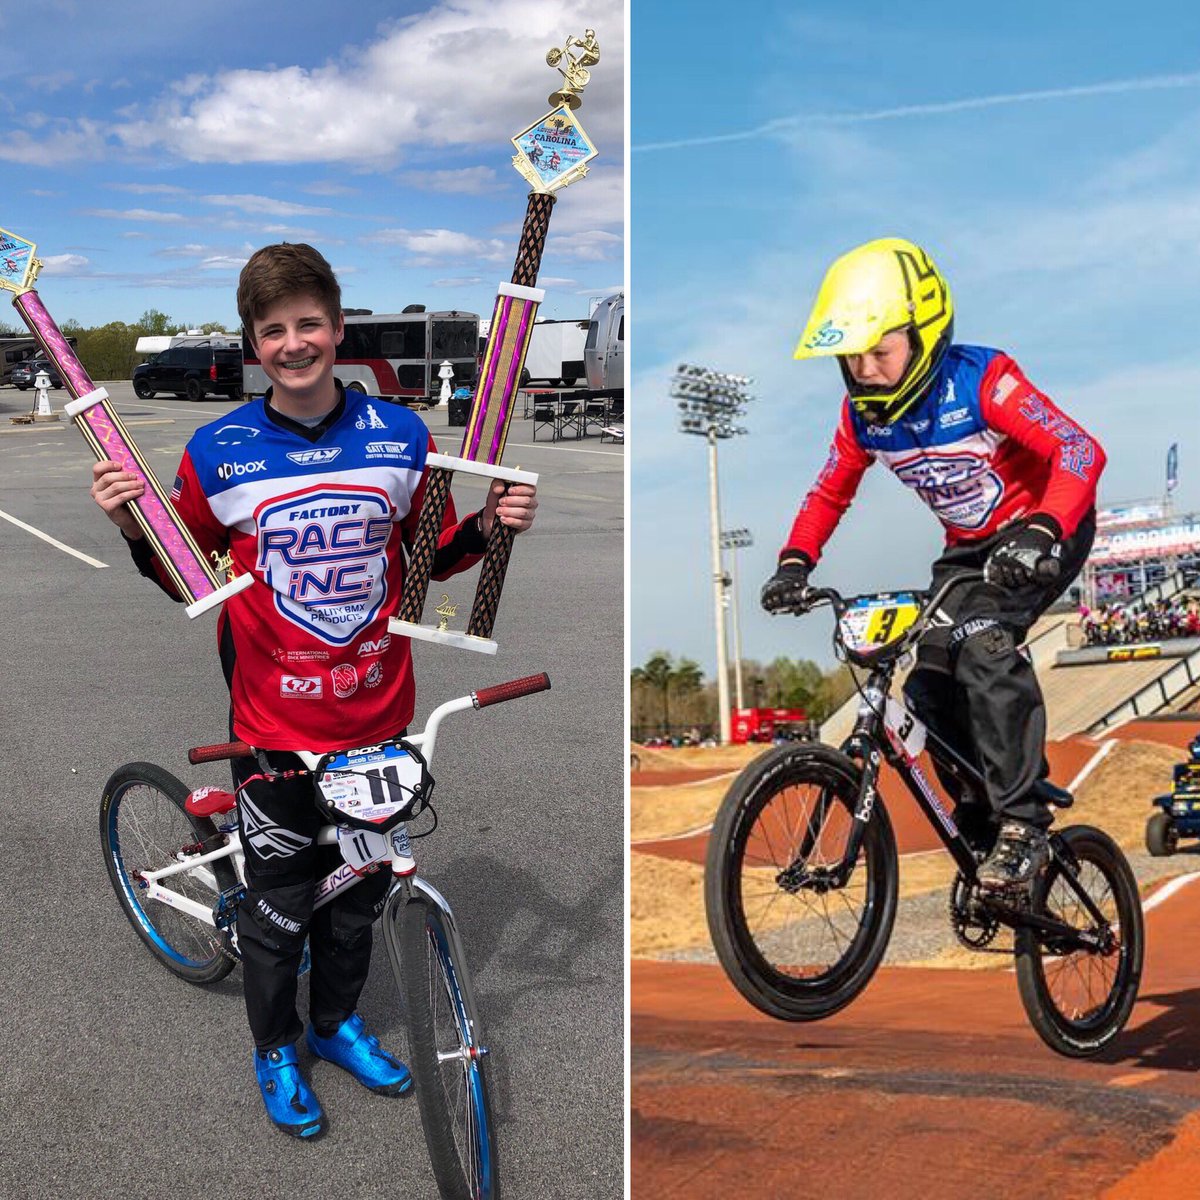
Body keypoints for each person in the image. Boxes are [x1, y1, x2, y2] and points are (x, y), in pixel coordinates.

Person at [90, 243, 537, 1139]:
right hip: (272, 721)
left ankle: (336, 1026)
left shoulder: (401, 437)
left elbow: (426, 563)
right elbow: (190, 578)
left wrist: (489, 526)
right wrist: (133, 532)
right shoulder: (217, 452)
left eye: (308, 324)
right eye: (273, 330)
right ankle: (275, 1045)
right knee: (281, 906)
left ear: (336, 327)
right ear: (255, 346)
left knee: (360, 896)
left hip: (377, 716)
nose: (294, 343)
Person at [761, 236, 1105, 894]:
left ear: (923, 334)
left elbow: (1080, 451)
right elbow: (831, 489)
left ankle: (1025, 822)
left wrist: (1042, 527)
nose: (863, 369)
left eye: (879, 351)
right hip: (969, 552)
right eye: (850, 356)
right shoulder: (862, 418)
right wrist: (794, 561)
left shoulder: (984, 380)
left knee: (984, 644)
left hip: (1047, 529)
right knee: (927, 685)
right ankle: (981, 814)